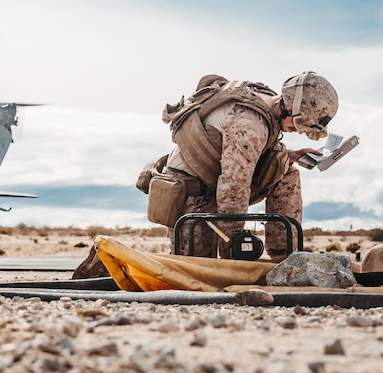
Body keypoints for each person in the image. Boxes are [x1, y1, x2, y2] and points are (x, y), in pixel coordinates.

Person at [140, 72, 338, 261]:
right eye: (299, 124)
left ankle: (285, 255)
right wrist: (234, 252)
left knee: (287, 172)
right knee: (198, 269)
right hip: (193, 197)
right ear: (289, 105)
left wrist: (291, 155)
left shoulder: (266, 100)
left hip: (213, 184)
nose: (300, 132)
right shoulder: (250, 123)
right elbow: (234, 188)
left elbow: (245, 157)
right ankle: (234, 255)